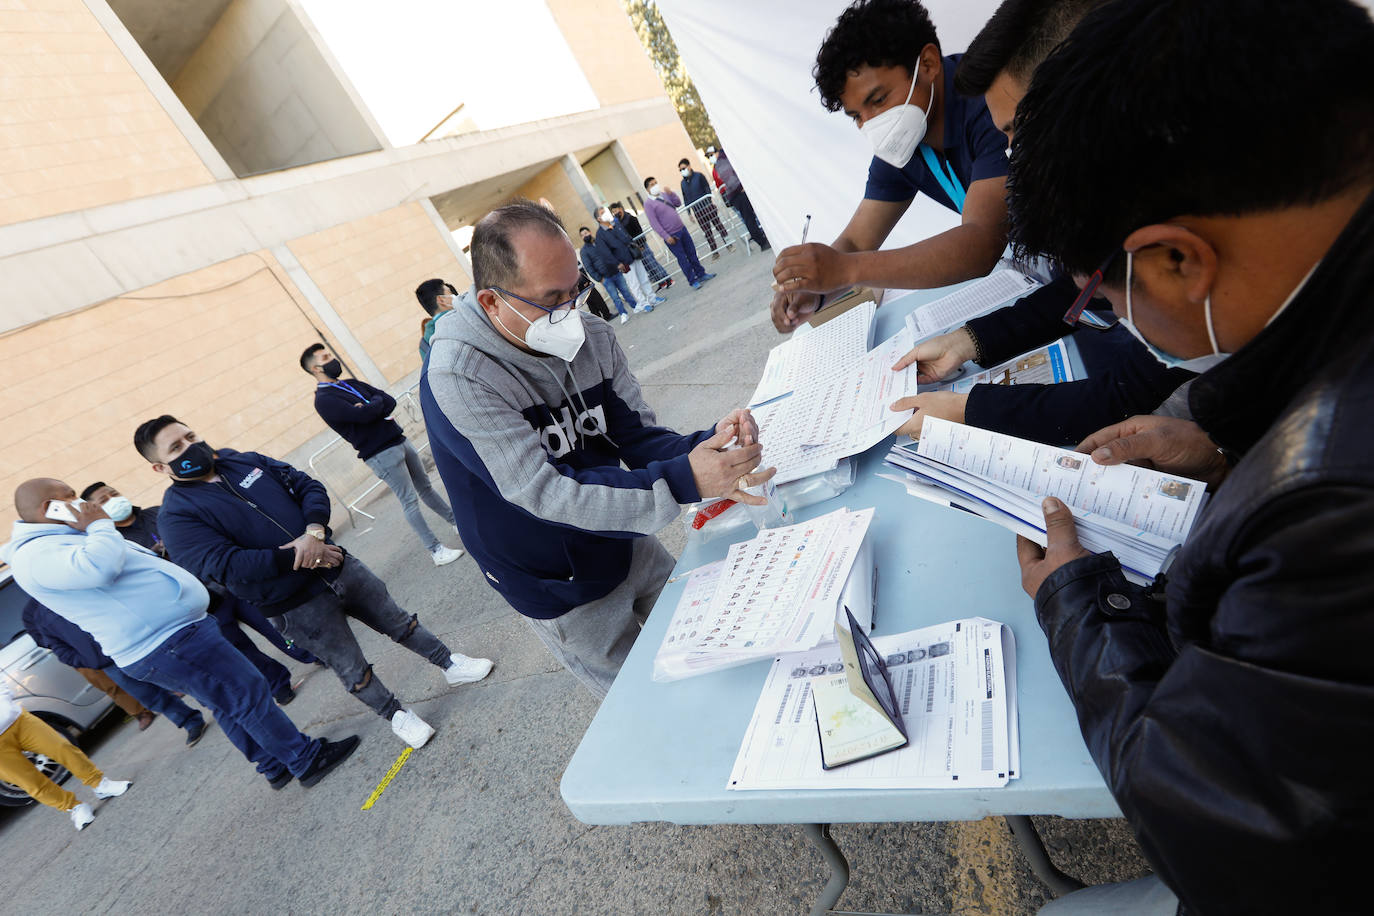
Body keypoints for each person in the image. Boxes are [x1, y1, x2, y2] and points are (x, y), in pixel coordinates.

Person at [1004, 0, 1374, 912]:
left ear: (1175, 260)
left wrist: (1074, 599)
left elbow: (1218, 832)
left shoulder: (1329, 507)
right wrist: (1223, 432)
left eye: (1102, 295)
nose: (1114, 319)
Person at [419, 200, 773, 698]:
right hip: (556, 582)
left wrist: (709, 446)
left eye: (576, 288)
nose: (570, 312)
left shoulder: (593, 336)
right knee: (646, 702)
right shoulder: (458, 377)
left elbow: (639, 437)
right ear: (492, 302)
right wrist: (685, 479)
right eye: (551, 299)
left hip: (623, 535)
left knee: (709, 648)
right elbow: (543, 493)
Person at [881, 0, 1190, 444]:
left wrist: (965, 411)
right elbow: (1082, 289)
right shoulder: (1124, 201)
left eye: (1016, 132)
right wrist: (968, 342)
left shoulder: (1182, 219)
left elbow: (1123, 395)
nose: (1011, 155)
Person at [134, 417, 493, 750]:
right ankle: (397, 716)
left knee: (400, 622)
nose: (191, 446)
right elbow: (224, 565)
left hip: (340, 566)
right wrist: (301, 555)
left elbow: (305, 485)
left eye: (190, 436)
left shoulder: (241, 460)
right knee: (350, 666)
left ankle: (450, 665)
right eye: (176, 448)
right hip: (293, 605)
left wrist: (314, 532)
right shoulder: (177, 516)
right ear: (159, 467)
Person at [2, 479, 359, 790]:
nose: (85, 504)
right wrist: (99, 527)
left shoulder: (54, 543)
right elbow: (98, 568)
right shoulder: (38, 553)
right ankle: (305, 758)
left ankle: (273, 764)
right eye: (70, 495)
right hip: (167, 641)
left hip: (172, 637)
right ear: (51, 507)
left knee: (229, 704)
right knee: (246, 694)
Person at [770, 0, 1009, 332]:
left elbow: (982, 243)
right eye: (856, 116)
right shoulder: (902, 143)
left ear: (927, 64)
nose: (872, 125)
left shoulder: (992, 100)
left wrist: (846, 269)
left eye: (878, 100)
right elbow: (856, 242)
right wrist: (816, 291)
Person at [81, 480, 315, 706]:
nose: (114, 500)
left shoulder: (158, 514)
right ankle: (278, 684)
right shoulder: (116, 544)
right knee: (240, 648)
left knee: (272, 624)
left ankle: (310, 654)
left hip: (225, 582)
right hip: (197, 605)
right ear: (95, 510)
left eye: (114, 493)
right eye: (104, 500)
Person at [300, 345, 464, 566]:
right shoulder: (324, 400)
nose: (333, 359)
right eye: (326, 357)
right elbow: (364, 414)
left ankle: (457, 523)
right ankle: (436, 550)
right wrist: (370, 407)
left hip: (398, 440)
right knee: (409, 500)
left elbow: (387, 400)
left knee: (425, 487)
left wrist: (368, 406)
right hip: (379, 453)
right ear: (315, 368)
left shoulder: (349, 384)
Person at [22, 595, 209, 745]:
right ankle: (190, 722)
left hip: (129, 645)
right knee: (149, 697)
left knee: (178, 677)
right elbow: (54, 646)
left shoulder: (67, 587)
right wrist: (88, 660)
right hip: (107, 663)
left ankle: (216, 703)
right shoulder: (34, 613)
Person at [0, 681, 130, 830]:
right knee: (30, 783)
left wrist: (4, 706)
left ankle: (100, 784)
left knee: (62, 748)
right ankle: (74, 807)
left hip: (17, 720)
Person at [643, 178, 715, 291]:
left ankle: (701, 274)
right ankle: (693, 281)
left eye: (656, 183)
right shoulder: (648, 204)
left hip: (682, 229)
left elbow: (677, 203)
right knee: (683, 259)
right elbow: (654, 223)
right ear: (647, 189)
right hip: (672, 236)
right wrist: (666, 236)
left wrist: (671, 193)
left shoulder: (664, 194)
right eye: (652, 185)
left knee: (692, 253)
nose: (655, 186)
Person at [594, 207, 664, 311]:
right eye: (603, 213)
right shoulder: (600, 235)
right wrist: (617, 263)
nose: (607, 214)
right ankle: (644, 304)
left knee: (643, 278)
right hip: (623, 262)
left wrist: (635, 247)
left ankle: (652, 298)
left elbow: (627, 237)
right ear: (599, 218)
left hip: (633, 255)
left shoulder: (615, 224)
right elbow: (605, 253)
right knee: (634, 284)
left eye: (606, 211)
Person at [708, 147, 768, 252]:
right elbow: (730, 180)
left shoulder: (722, 161)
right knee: (750, 219)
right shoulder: (721, 162)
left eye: (711, 154)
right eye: (709, 156)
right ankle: (762, 242)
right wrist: (741, 188)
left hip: (737, 194)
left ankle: (762, 239)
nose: (710, 157)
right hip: (738, 194)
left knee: (751, 219)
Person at [579, 224, 637, 324]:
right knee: (615, 298)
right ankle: (623, 314)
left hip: (615, 271)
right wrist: (599, 279)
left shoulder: (599, 241)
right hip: (605, 278)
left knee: (626, 292)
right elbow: (589, 267)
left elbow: (611, 252)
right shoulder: (584, 251)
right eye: (583, 235)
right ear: (581, 238)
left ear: (590, 232)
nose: (585, 235)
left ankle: (635, 307)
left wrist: (618, 263)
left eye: (586, 233)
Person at [608, 202, 672, 290]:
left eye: (615, 210)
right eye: (613, 212)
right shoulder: (618, 224)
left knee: (652, 263)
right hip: (633, 250)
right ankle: (661, 282)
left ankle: (667, 279)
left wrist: (641, 245)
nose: (615, 213)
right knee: (647, 267)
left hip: (641, 246)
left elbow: (639, 232)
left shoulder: (631, 219)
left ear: (620, 208)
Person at [678, 158, 732, 260]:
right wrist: (689, 212)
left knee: (718, 225)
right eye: (680, 170)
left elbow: (707, 188)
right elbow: (685, 198)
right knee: (707, 232)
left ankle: (729, 243)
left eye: (683, 168)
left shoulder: (699, 176)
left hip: (708, 207)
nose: (682, 171)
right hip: (697, 211)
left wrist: (708, 201)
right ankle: (715, 252)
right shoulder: (683, 183)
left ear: (689, 166)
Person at [415, 279, 459, 361]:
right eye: (449, 292)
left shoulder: (424, 344)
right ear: (441, 300)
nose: (454, 296)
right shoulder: (458, 323)